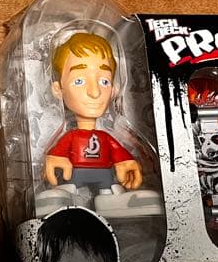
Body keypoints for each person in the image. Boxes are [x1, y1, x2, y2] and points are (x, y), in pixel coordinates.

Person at [43, 32, 159, 218]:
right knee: (67, 189)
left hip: (105, 175)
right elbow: (59, 151)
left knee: (110, 188)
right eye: (79, 81)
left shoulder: (105, 137)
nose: (94, 92)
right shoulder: (71, 136)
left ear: (113, 90)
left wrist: (126, 161)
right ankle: (64, 197)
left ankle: (113, 201)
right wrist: (55, 158)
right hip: (74, 175)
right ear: (58, 89)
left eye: (104, 81)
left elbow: (117, 151)